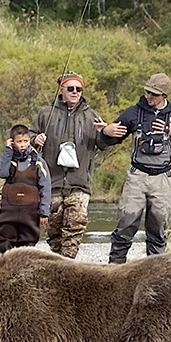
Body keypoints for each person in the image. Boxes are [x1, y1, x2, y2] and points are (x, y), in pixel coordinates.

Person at [100, 73, 171, 264]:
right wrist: (106, 131)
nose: (149, 97)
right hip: (137, 176)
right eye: (147, 92)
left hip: (163, 179)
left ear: (164, 95)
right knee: (125, 225)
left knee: (158, 230)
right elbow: (108, 140)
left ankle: (156, 274)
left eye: (154, 94)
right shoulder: (133, 113)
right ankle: (114, 271)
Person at [29, 71, 109, 258]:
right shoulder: (46, 114)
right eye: (70, 88)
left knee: (74, 227)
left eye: (79, 89)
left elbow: (103, 145)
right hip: (52, 182)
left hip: (79, 182)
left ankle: (69, 265)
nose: (75, 92)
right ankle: (60, 266)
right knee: (54, 232)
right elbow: (27, 137)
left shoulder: (91, 116)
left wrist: (104, 132)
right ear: (61, 90)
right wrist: (35, 139)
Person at [0, 124, 51, 254]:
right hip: (9, 211)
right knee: (4, 240)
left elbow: (46, 187)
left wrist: (44, 211)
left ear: (29, 140)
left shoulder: (39, 162)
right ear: (13, 142)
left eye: (25, 141)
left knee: (28, 243)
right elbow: (0, 172)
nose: (23, 145)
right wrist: (7, 150)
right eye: (19, 142)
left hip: (30, 212)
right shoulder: (9, 158)